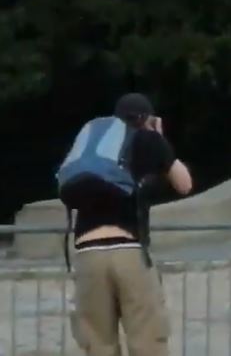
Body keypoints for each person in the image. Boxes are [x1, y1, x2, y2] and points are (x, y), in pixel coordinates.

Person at [63, 93, 193, 356]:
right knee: (146, 340)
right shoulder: (147, 138)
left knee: (98, 344)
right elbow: (184, 184)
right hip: (127, 248)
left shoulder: (98, 148)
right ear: (145, 118)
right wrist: (160, 140)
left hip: (87, 253)